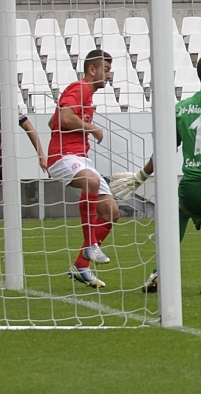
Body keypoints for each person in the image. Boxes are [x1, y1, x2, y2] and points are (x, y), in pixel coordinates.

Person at [110, 54, 201, 296]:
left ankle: (159, 272)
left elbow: (165, 149)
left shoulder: (180, 109)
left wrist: (141, 176)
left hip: (190, 189)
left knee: (180, 212)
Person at [45, 49, 116, 289]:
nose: (110, 75)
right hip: (63, 156)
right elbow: (65, 118)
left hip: (80, 157)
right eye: (106, 70)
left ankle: (80, 265)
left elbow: (53, 121)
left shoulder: (85, 94)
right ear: (92, 70)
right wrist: (92, 128)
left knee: (111, 212)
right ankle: (90, 246)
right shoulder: (81, 88)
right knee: (91, 182)